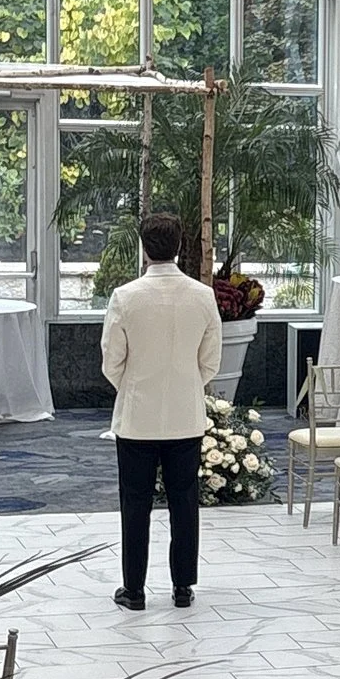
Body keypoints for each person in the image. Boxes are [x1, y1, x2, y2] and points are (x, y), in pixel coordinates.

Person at [99, 211, 223, 610]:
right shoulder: (203, 296)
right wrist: (185, 385)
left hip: (137, 418)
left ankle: (133, 589)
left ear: (143, 247)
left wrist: (134, 387)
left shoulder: (126, 297)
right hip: (185, 416)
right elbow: (211, 362)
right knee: (184, 501)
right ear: (181, 246)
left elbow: (111, 360)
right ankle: (183, 587)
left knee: (134, 502)